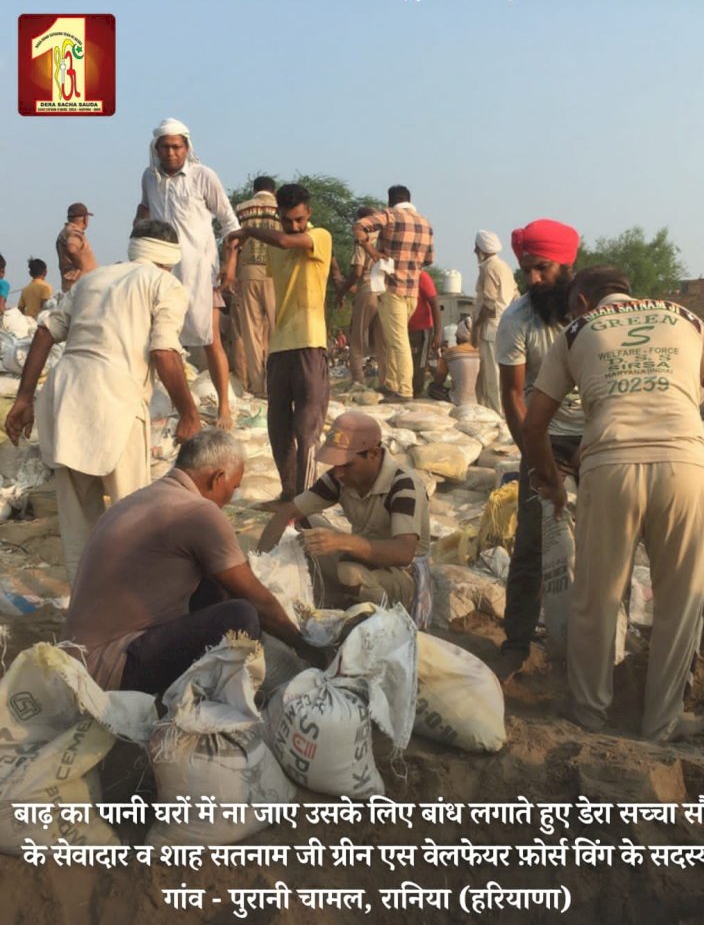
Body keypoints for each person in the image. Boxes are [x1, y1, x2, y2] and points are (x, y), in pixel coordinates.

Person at [524, 266, 704, 742]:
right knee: (681, 601)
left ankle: (589, 713)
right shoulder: (687, 318)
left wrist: (551, 483)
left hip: (610, 468)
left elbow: (534, 424)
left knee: (598, 598)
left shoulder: (576, 331)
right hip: (685, 468)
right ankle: (662, 721)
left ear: (582, 302)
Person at [4, 220, 201, 582]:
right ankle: (131, 610)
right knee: (133, 518)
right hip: (116, 399)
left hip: (66, 396)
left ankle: (84, 615)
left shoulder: (93, 280)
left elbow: (46, 331)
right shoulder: (165, 284)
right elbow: (163, 350)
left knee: (78, 526)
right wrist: (189, 413)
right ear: (170, 259)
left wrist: (24, 398)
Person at [61, 429, 315, 693]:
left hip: (79, 660)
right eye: (234, 488)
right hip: (111, 668)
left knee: (215, 583)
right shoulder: (199, 512)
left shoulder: (141, 498)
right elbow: (256, 600)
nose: (231, 498)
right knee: (241, 616)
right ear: (217, 478)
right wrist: (302, 645)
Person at [496, 219, 584, 680]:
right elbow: (512, 394)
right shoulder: (517, 319)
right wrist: (534, 457)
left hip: (595, 439)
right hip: (541, 436)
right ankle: (516, 642)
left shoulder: (589, 312)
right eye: (526, 270)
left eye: (542, 269)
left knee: (600, 543)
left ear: (567, 265)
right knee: (531, 543)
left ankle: (592, 643)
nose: (532, 279)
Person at [259, 412, 431, 618]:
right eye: (336, 464)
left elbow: (404, 553)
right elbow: (287, 512)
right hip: (361, 554)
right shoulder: (339, 478)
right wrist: (260, 566)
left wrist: (343, 542)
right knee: (305, 523)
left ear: (374, 455)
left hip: (402, 573)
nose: (338, 472)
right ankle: (339, 595)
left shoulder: (403, 485)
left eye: (347, 465)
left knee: (350, 573)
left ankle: (379, 618)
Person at [226, 183, 332, 502]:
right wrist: (229, 263)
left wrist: (247, 230)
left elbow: (286, 241)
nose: (295, 226)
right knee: (278, 427)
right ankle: (288, 493)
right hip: (280, 345)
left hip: (310, 343)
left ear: (308, 214)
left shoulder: (320, 236)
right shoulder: (275, 247)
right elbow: (278, 246)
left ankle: (305, 500)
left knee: (307, 429)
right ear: (279, 216)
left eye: (300, 219)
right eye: (288, 220)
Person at [135, 118, 240, 429]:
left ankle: (224, 408)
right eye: (165, 147)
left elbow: (230, 223)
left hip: (201, 270)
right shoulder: (149, 178)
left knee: (211, 341)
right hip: (163, 271)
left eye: (176, 146)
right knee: (161, 340)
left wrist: (230, 263)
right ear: (156, 149)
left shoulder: (203, 176)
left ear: (186, 147)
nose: (171, 152)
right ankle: (176, 407)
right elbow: (144, 211)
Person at [353, 185, 434, 401]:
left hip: (392, 288)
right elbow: (429, 259)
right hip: (412, 291)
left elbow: (360, 226)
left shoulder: (390, 216)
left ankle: (403, 390)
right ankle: (392, 384)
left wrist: (372, 251)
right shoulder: (425, 223)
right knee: (392, 338)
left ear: (390, 201)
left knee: (397, 341)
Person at [223, 176, 280, 397]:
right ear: (273, 191)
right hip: (275, 272)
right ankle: (275, 383)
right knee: (277, 330)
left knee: (252, 332)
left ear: (254, 190)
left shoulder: (242, 209)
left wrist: (230, 270)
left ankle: (257, 386)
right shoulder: (280, 208)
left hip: (248, 272)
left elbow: (232, 243)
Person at [337, 206, 386, 386]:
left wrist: (341, 291)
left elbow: (357, 272)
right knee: (382, 343)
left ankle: (357, 381)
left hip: (368, 289)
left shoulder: (362, 238)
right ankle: (385, 382)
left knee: (356, 341)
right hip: (385, 291)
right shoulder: (384, 237)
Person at [472, 230, 518, 414]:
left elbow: (489, 304)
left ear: (481, 248)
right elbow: (515, 295)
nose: (474, 250)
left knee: (492, 375)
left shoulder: (489, 268)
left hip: (491, 327)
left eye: (476, 247)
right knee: (494, 373)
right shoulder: (504, 267)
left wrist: (476, 327)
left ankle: (497, 414)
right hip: (505, 325)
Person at [428, 317, 480, 405]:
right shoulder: (481, 351)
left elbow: (438, 380)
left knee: (432, 387)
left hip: (458, 401)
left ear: (459, 336)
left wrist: (438, 361)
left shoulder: (449, 353)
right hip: (479, 399)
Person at [408, 269, 442, 397]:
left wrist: (438, 333)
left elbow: (435, 303)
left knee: (419, 365)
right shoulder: (400, 277)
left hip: (422, 329)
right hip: (405, 329)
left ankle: (417, 393)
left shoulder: (422, 276)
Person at [56, 202, 97, 292]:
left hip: (71, 286)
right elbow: (72, 248)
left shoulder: (63, 233)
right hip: (83, 286)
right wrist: (80, 266)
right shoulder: (74, 232)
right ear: (85, 219)